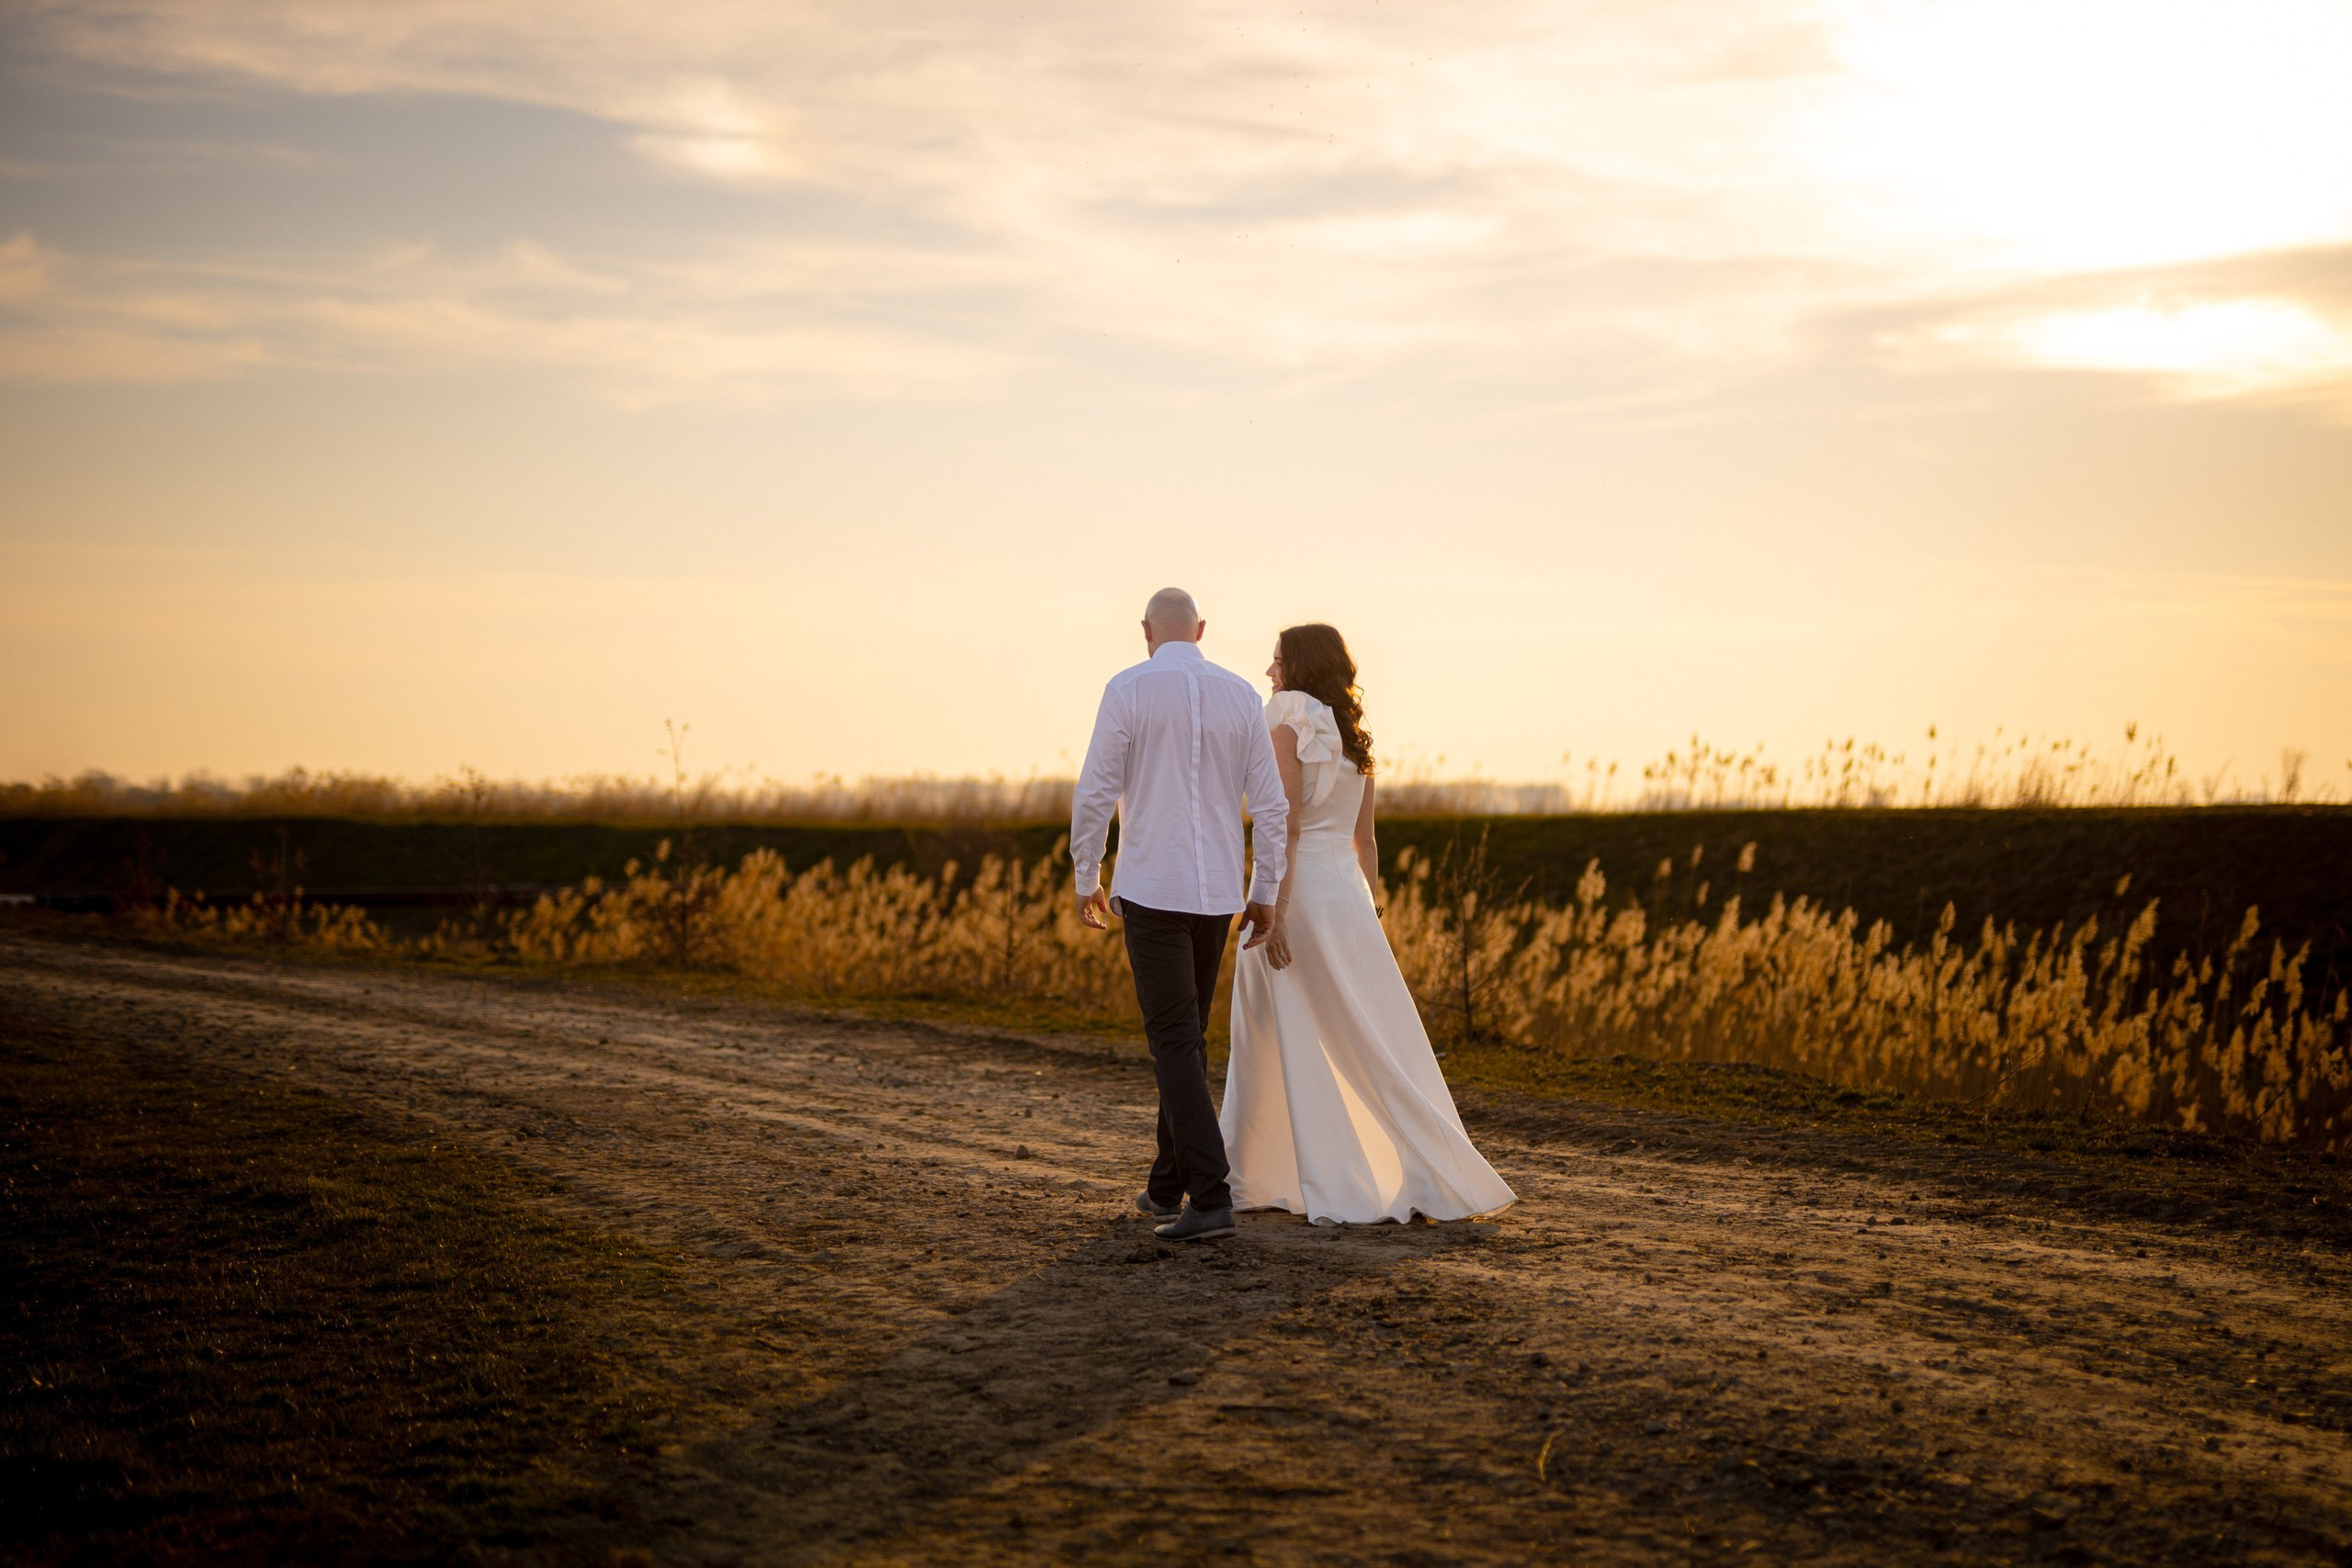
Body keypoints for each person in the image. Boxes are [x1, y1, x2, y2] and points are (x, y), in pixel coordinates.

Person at [1220, 623, 1516, 1224]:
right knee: (1363, 1031)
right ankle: (1388, 1164)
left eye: (1276, 661)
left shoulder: (1286, 716)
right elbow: (1367, 840)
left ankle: (1266, 1173)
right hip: (1347, 896)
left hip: (1295, 891)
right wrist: (1366, 909)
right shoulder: (1354, 736)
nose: (1269, 672)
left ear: (1298, 666)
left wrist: (1270, 907)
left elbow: (1287, 824)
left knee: (1271, 1029)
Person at [1071, 588, 1289, 1243]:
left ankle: (1211, 1193)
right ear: (1200, 628)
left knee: (1172, 1039)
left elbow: (1095, 792)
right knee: (1185, 1037)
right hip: (1219, 893)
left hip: (1154, 888)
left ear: (1146, 630)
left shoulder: (1128, 688)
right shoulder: (1242, 695)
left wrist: (1088, 874)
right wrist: (1265, 888)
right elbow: (1272, 808)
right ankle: (1168, 1183)